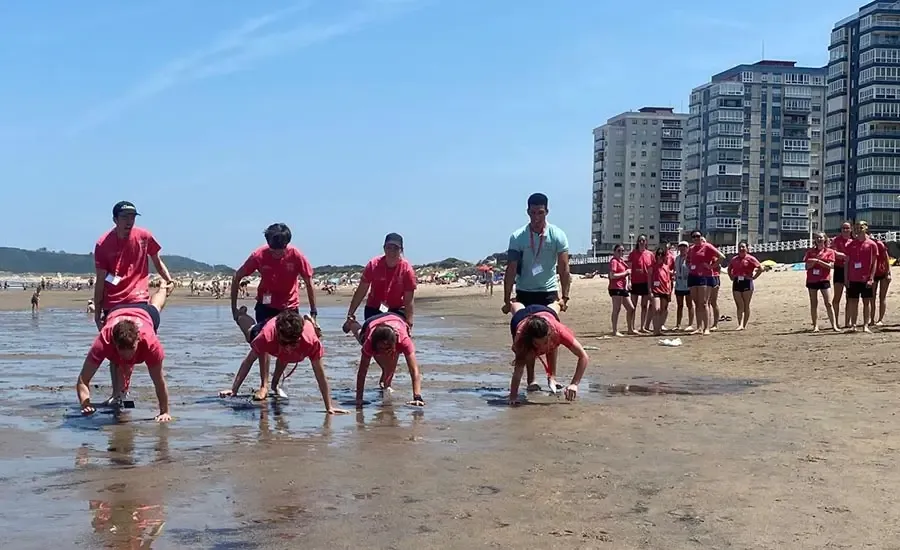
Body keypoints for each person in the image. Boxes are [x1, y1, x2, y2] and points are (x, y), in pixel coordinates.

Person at [93, 201, 175, 406]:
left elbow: (157, 260)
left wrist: (168, 278)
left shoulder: (144, 236)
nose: (129, 221)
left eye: (132, 217)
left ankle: (124, 389)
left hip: (138, 298)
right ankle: (117, 392)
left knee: (145, 327)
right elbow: (101, 279)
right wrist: (98, 309)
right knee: (115, 348)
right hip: (114, 301)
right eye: (124, 217)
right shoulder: (103, 243)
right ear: (114, 219)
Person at [230, 223, 317, 400]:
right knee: (263, 344)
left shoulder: (296, 255)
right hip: (266, 305)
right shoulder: (259, 255)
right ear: (268, 242)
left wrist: (313, 312)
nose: (277, 253)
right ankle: (264, 384)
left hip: (289, 307)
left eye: (281, 248)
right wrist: (232, 306)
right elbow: (237, 276)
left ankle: (276, 382)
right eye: (273, 248)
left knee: (287, 345)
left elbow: (308, 282)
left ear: (287, 244)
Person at [77, 281, 174, 422]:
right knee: (116, 361)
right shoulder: (104, 340)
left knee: (156, 306)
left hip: (144, 313)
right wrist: (85, 403)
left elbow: (159, 382)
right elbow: (82, 380)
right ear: (114, 342)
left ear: (138, 340)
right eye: (122, 351)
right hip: (116, 310)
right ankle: (117, 394)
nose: (128, 356)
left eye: (131, 350)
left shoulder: (151, 343)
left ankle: (164, 287)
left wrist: (164, 412)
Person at [502, 193, 570, 392]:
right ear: (527, 212)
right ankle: (531, 379)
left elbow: (564, 267)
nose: (536, 217)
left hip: (548, 291)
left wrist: (565, 296)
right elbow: (511, 268)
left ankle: (552, 377)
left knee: (552, 335)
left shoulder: (557, 235)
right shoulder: (518, 237)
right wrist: (507, 299)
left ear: (547, 211)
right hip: (525, 291)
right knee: (528, 337)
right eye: (533, 213)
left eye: (540, 212)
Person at [220, 309, 348, 414]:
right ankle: (241, 315)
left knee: (286, 356)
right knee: (250, 333)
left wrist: (329, 406)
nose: (288, 347)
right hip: (268, 327)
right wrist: (234, 390)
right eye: (284, 342)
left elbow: (320, 375)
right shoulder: (266, 336)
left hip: (300, 339)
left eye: (292, 343)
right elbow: (248, 361)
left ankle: (309, 322)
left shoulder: (311, 342)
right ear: (278, 335)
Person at [507, 301, 588, 405]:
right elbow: (518, 372)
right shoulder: (522, 339)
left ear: (549, 333)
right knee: (517, 308)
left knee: (553, 310)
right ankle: (514, 304)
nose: (543, 347)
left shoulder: (559, 331)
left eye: (545, 342)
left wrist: (574, 384)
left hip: (546, 313)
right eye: (538, 344)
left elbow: (583, 356)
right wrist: (513, 397)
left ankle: (558, 304)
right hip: (521, 317)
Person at [343, 312, 425, 408]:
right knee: (360, 337)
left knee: (390, 362)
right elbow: (362, 372)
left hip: (396, 319)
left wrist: (417, 397)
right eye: (381, 349)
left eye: (387, 348)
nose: (384, 352)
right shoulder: (369, 342)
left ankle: (386, 383)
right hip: (372, 322)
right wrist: (359, 398)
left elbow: (414, 370)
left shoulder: (404, 341)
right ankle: (352, 324)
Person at [345, 233, 417, 332]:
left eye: (395, 248)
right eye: (389, 247)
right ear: (384, 248)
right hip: (374, 308)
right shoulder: (373, 265)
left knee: (395, 337)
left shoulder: (407, 270)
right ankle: (354, 327)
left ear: (401, 250)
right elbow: (361, 291)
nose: (392, 251)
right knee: (372, 338)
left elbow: (408, 300)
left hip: (396, 310)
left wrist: (409, 323)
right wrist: (351, 313)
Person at [687, 231, 724, 336]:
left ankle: (706, 328)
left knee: (704, 302)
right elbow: (687, 260)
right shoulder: (691, 249)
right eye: (694, 237)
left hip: (705, 276)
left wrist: (711, 266)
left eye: (698, 236)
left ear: (701, 237)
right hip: (693, 276)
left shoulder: (707, 246)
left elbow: (721, 257)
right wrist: (689, 266)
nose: (696, 238)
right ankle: (698, 327)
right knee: (697, 302)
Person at [844, 220, 877, 333]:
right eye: (856, 227)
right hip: (853, 277)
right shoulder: (851, 244)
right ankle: (853, 324)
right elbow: (847, 262)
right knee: (853, 301)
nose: (858, 229)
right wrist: (846, 278)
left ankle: (865, 325)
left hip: (865, 278)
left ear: (866, 228)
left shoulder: (872, 244)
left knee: (866, 302)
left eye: (861, 227)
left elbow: (874, 263)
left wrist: (871, 278)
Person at [804, 232, 839, 332]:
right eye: (817, 238)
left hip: (824, 279)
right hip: (812, 279)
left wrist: (819, 262)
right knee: (813, 303)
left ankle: (834, 325)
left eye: (821, 237)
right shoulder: (810, 251)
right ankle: (815, 326)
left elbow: (831, 266)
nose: (819, 239)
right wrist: (814, 261)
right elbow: (807, 266)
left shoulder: (830, 251)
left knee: (828, 303)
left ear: (825, 239)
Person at [726, 242, 762, 331]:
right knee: (739, 304)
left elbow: (760, 268)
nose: (741, 249)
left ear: (747, 248)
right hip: (737, 282)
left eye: (743, 247)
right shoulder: (734, 259)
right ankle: (740, 324)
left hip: (747, 282)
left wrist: (754, 277)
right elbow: (729, 268)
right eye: (739, 247)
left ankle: (744, 325)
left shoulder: (750, 258)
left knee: (746, 305)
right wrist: (731, 277)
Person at [627, 235, 654, 333]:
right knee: (633, 306)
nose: (642, 242)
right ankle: (631, 327)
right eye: (640, 240)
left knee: (644, 306)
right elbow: (629, 269)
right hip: (635, 282)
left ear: (646, 242)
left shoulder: (650, 254)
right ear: (637, 242)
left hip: (646, 282)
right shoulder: (633, 254)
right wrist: (629, 281)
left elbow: (652, 270)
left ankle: (642, 327)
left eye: (643, 240)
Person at [608, 244, 635, 336]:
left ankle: (630, 329)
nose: (621, 252)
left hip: (623, 287)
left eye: (622, 251)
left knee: (631, 308)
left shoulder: (621, 261)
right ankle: (615, 330)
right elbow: (612, 275)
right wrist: (625, 273)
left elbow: (628, 272)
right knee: (617, 309)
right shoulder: (614, 261)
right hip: (615, 287)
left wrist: (628, 282)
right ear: (614, 252)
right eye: (619, 251)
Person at [830, 222, 853, 327]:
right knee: (837, 297)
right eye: (843, 228)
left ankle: (847, 322)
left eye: (847, 228)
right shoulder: (836, 240)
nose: (845, 230)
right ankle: (835, 322)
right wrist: (844, 256)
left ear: (851, 229)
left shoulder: (853, 241)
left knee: (850, 297)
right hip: (839, 269)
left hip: (851, 271)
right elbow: (833, 252)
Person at [649, 246, 673, 336]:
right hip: (655, 291)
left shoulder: (666, 267)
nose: (659, 256)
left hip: (665, 291)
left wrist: (669, 291)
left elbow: (668, 280)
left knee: (663, 310)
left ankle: (659, 329)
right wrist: (650, 291)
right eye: (658, 254)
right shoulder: (652, 267)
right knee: (656, 309)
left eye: (661, 254)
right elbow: (649, 280)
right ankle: (655, 329)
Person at [673, 241, 694, 331]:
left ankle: (690, 324)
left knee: (689, 304)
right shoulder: (677, 258)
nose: (682, 248)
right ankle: (678, 324)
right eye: (681, 246)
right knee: (679, 305)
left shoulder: (690, 258)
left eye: (684, 246)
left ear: (688, 248)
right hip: (679, 284)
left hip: (688, 284)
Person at [871, 236, 891, 326]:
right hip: (872, 273)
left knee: (882, 297)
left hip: (882, 272)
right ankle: (871, 319)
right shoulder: (863, 244)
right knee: (872, 297)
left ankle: (880, 319)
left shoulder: (878, 243)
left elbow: (886, 259)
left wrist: (888, 273)